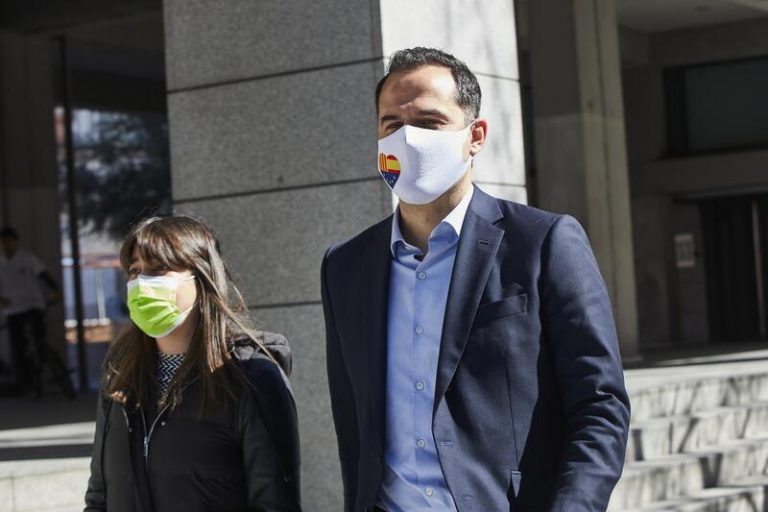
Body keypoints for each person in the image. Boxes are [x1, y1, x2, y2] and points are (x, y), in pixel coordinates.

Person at [321, 47, 631, 511]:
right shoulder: (344, 266)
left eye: (429, 122)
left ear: (475, 136)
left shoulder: (542, 243)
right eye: (392, 124)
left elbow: (600, 404)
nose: (408, 138)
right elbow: (353, 424)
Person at [84, 216, 301, 512]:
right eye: (134, 271)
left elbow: (274, 503)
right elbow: (99, 495)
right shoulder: (121, 371)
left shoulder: (252, 377)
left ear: (201, 277)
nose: (142, 283)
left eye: (159, 268)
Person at [0, 226, 62, 395]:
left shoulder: (27, 259)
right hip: (13, 308)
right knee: (18, 345)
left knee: (38, 337)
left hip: (33, 304)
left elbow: (43, 274)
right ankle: (28, 381)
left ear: (15, 242)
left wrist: (56, 290)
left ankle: (41, 362)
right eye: (4, 242)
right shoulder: (1, 262)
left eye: (10, 241)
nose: (8, 245)